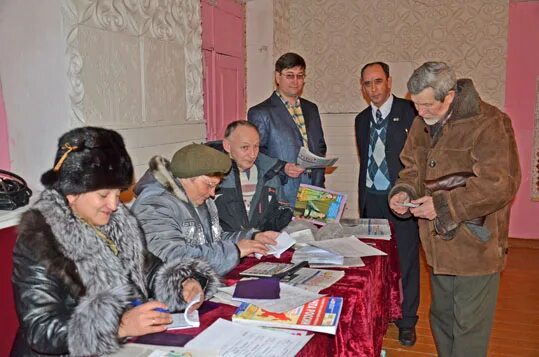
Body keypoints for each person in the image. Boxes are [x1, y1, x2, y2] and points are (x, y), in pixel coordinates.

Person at [11, 127, 219, 357]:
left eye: (118, 194)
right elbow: (42, 330)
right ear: (71, 192)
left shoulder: (118, 224)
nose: (114, 205)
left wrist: (183, 284)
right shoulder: (40, 241)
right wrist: (119, 326)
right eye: (103, 195)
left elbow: (150, 271)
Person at [389, 62, 521, 357]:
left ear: (449, 96)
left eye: (425, 105)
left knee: (469, 329)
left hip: (476, 248)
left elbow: (500, 185)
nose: (419, 113)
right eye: (416, 105)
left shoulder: (490, 122)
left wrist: (441, 205)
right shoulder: (423, 119)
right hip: (438, 246)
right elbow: (411, 167)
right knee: (443, 320)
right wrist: (403, 192)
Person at [131, 143, 278, 276]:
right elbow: (172, 259)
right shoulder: (155, 205)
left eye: (216, 186)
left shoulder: (201, 198)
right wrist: (235, 251)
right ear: (187, 178)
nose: (213, 193)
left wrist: (250, 238)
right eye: (209, 185)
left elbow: (214, 241)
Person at [354, 62, 420, 346]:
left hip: (402, 200)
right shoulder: (360, 119)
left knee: (405, 261)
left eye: (378, 82)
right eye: (367, 84)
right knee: (376, 262)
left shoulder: (411, 112)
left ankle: (406, 321)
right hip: (372, 200)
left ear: (389, 82)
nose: (373, 89)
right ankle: (380, 315)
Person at [248, 52, 327, 206]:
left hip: (315, 189)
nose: (295, 81)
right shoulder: (260, 112)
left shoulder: (312, 108)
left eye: (300, 75)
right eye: (290, 75)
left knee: (313, 230)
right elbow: (255, 154)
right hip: (281, 190)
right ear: (278, 77)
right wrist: (283, 167)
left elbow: (320, 145)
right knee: (285, 231)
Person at [210, 120, 293, 232]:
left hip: (264, 245)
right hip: (226, 246)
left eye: (256, 146)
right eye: (245, 147)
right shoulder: (212, 177)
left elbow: (279, 212)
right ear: (227, 146)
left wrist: (287, 217)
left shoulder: (270, 174)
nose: (253, 154)